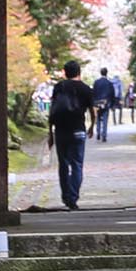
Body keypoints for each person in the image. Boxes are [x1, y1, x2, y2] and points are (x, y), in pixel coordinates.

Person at [47, 60, 94, 211]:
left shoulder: (59, 87)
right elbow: (92, 111)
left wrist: (50, 133)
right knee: (77, 165)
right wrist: (92, 126)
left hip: (61, 131)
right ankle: (73, 197)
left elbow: (53, 110)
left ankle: (66, 196)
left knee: (63, 164)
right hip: (78, 130)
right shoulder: (86, 89)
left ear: (65, 72)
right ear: (79, 72)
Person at [91, 67, 116, 141]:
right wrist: (112, 104)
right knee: (105, 119)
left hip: (97, 102)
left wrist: (93, 103)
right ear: (106, 73)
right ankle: (104, 135)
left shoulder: (96, 82)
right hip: (106, 103)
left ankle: (98, 133)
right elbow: (112, 94)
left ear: (100, 73)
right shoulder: (109, 83)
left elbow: (93, 92)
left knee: (98, 118)